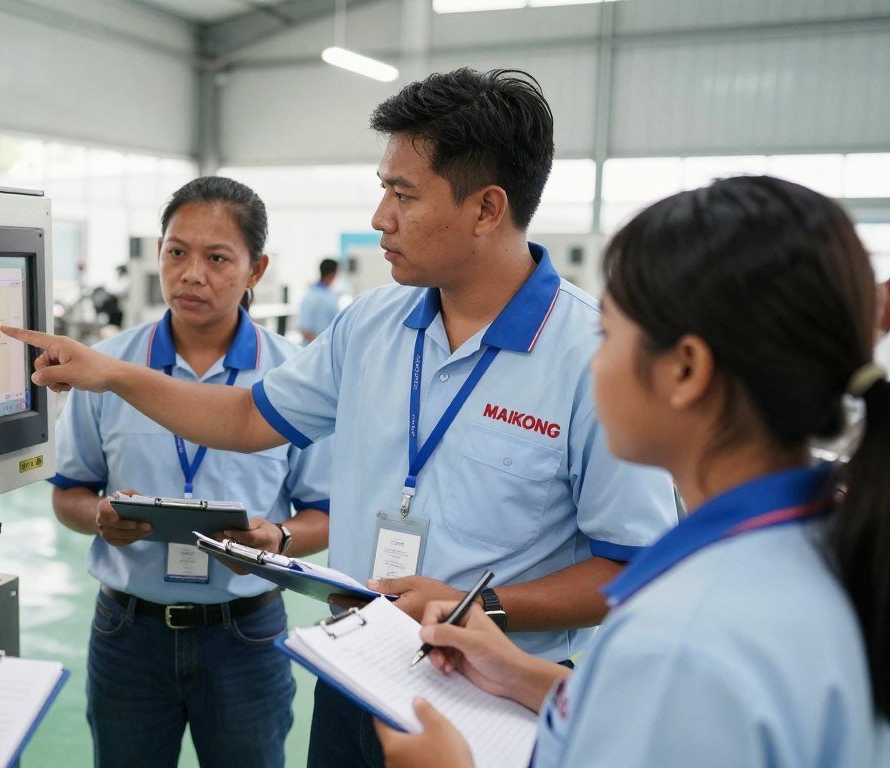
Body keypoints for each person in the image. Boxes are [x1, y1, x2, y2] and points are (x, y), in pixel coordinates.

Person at [2, 68, 677, 768]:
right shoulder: (374, 325)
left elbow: (639, 566)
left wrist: (483, 605)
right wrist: (111, 373)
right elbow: (244, 415)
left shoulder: (593, 359)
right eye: (383, 189)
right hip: (356, 673)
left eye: (402, 194)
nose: (381, 217)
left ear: (486, 209)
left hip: (497, 700)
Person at [376, 176, 890, 767]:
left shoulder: (682, 638)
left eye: (609, 334)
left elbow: (676, 694)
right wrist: (522, 674)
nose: (594, 362)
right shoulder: (830, 548)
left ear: (686, 371)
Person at [49, 176, 332, 768]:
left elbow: (323, 512)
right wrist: (99, 517)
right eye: (176, 252)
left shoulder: (293, 379)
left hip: (246, 636)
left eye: (217, 258)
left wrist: (276, 539)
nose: (191, 274)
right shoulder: (106, 372)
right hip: (129, 634)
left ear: (256, 271)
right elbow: (69, 492)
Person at [300, 258, 343, 342]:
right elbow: (306, 330)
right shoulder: (312, 297)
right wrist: (320, 348)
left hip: (324, 346)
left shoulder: (330, 295)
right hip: (313, 348)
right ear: (332, 274)